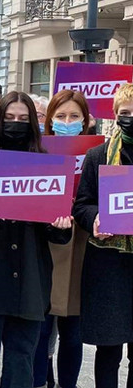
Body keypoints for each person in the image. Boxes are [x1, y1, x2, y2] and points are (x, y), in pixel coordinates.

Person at [0, 91, 72, 388]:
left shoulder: (50, 166)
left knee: (22, 359)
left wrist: (60, 225)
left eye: (22, 118)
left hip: (30, 280)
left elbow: (59, 234)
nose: (15, 124)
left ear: (32, 122)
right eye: (9, 118)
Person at [73, 83, 133, 388]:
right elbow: (82, 204)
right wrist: (95, 217)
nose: (131, 118)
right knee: (108, 349)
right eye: (126, 112)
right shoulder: (97, 156)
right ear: (115, 115)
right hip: (109, 266)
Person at [31, 90, 90, 388]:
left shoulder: (97, 153)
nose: (67, 122)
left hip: (81, 245)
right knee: (41, 328)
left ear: (85, 121)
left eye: (74, 116)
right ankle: (39, 382)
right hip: (45, 242)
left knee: (72, 331)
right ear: (50, 120)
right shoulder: (38, 151)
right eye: (61, 116)